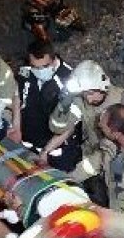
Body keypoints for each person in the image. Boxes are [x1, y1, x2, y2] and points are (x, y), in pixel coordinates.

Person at [38, 60, 124, 205]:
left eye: (91, 93)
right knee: (98, 201)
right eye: (84, 94)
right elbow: (59, 128)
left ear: (102, 87)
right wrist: (63, 105)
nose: (88, 98)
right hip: (95, 160)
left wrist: (70, 178)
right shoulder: (83, 101)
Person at [17, 39, 82, 172]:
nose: (40, 71)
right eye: (35, 67)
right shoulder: (25, 71)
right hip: (27, 142)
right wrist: (16, 127)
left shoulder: (69, 81)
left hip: (55, 149)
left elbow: (70, 126)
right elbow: (17, 98)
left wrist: (47, 151)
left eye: (45, 66)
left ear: (53, 59)